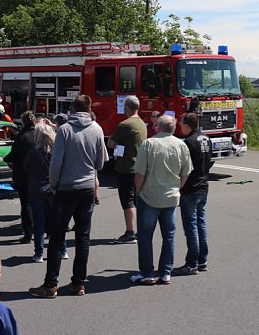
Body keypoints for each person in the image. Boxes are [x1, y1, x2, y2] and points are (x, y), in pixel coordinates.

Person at [28, 94, 107, 299]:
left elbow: (55, 163)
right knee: (82, 237)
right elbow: (100, 163)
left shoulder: (65, 130)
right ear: (89, 107)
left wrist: (53, 185)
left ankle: (50, 285)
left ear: (72, 108)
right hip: (87, 187)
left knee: (57, 236)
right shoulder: (97, 129)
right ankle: (79, 283)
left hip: (66, 188)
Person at [131, 114, 193, 286]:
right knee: (169, 236)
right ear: (174, 128)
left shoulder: (149, 144)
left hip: (149, 195)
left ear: (157, 127)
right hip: (171, 197)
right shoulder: (181, 145)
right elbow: (186, 172)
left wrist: (139, 191)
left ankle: (147, 273)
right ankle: (166, 272)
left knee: (145, 236)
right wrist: (177, 187)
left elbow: (140, 173)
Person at [173, 113, 213, 275]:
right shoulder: (206, 139)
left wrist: (179, 186)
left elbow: (184, 168)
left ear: (188, 126)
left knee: (191, 227)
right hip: (204, 185)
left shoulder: (188, 142)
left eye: (182, 124)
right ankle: (202, 260)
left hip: (191, 188)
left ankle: (191, 263)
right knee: (200, 223)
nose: (180, 127)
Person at [24, 122, 66, 263]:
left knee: (39, 222)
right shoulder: (57, 151)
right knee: (56, 221)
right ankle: (62, 249)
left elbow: (26, 168)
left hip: (36, 189)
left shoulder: (32, 152)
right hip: (54, 188)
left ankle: (39, 253)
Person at [107, 95, 146, 244]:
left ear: (127, 108)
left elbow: (111, 143)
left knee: (127, 201)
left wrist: (116, 142)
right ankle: (138, 230)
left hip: (126, 167)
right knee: (136, 199)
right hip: (139, 166)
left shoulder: (125, 124)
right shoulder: (142, 123)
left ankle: (130, 232)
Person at [4, 111, 36, 244]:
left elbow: (14, 154)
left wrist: (7, 159)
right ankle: (45, 230)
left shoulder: (22, 136)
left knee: (26, 205)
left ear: (23, 122)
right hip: (40, 174)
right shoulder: (41, 134)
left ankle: (28, 233)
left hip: (23, 174)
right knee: (42, 204)